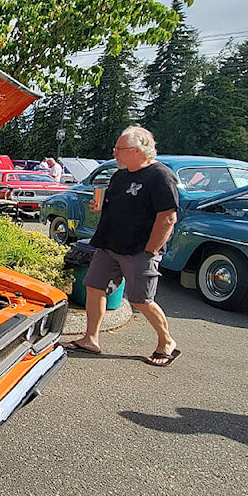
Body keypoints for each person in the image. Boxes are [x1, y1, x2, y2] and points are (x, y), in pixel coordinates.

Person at [61, 126, 181, 367]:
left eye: (120, 149)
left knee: (141, 300)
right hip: (108, 246)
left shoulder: (160, 175)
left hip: (139, 250)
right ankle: (90, 339)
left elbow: (168, 217)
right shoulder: (120, 175)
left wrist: (151, 251)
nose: (115, 153)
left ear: (138, 150)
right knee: (94, 288)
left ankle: (166, 342)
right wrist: (99, 209)